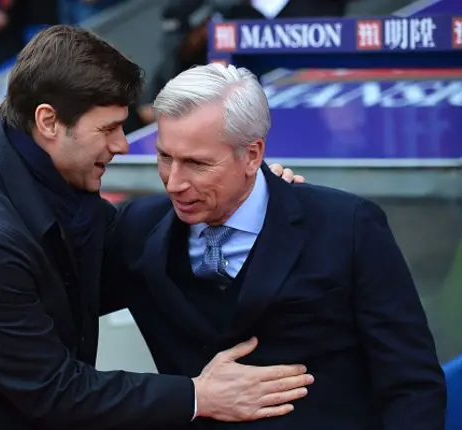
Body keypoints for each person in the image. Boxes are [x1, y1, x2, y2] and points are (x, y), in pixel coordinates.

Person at [0, 25, 312, 430]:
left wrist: (240, 190)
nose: (122, 145)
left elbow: (129, 237)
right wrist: (200, 395)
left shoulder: (50, 182)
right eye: (108, 128)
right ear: (49, 122)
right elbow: (55, 391)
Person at [99, 63, 448, 429]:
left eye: (197, 164)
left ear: (252, 155)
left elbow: (411, 383)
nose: (174, 182)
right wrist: (189, 396)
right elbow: (50, 317)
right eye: (165, 157)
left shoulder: (347, 226)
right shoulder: (135, 229)